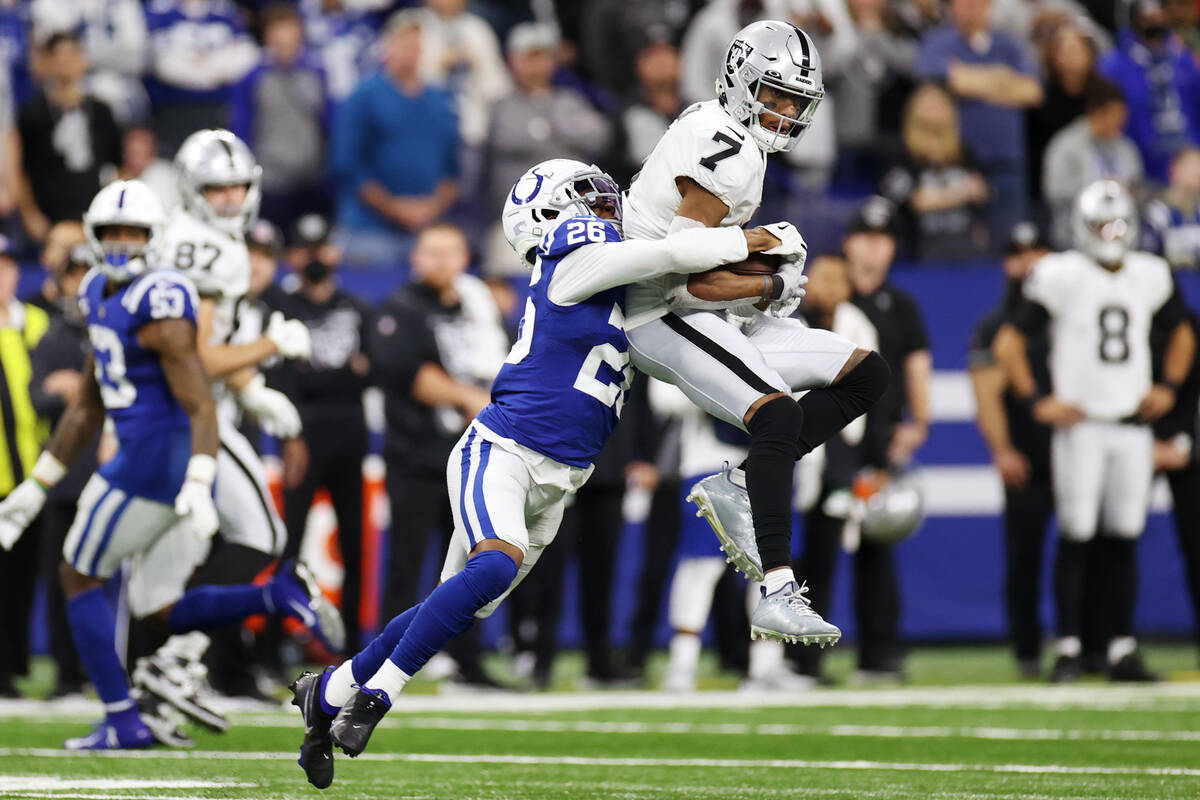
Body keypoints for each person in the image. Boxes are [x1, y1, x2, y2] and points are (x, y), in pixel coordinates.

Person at [288, 158, 793, 786]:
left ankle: (331, 690)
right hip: (503, 449)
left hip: (563, 478)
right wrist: (756, 237)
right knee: (494, 562)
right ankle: (376, 697)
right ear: (547, 218)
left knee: (451, 604)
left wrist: (768, 285)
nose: (606, 205)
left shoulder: (626, 284)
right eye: (587, 198)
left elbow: (691, 283)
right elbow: (674, 252)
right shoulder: (570, 264)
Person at [0, 180, 340, 749]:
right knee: (156, 608)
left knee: (77, 574)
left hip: (151, 459)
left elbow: (199, 400)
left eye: (135, 233)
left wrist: (202, 479)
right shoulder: (94, 290)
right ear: (93, 233)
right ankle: (277, 597)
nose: (123, 243)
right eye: (113, 232)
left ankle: (123, 719)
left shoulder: (161, 303)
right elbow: (88, 402)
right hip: (152, 456)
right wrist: (39, 485)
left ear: (154, 239)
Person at [621, 20, 886, 645]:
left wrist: (760, 274)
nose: (786, 111)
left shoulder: (723, 130)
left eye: (797, 101)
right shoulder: (732, 150)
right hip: (656, 313)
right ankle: (776, 589)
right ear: (740, 79)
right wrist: (765, 279)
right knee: (775, 417)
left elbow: (698, 261)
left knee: (865, 371)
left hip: (693, 306)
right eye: (775, 95)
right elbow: (681, 272)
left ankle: (744, 481)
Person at [132, 129, 325, 731]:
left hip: (178, 411)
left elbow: (207, 351)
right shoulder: (211, 252)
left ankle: (159, 670)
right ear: (193, 191)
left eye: (237, 186)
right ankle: (174, 661)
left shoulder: (193, 241)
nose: (229, 199)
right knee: (260, 534)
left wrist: (254, 392)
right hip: (188, 414)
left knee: (175, 560)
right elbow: (193, 358)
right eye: (215, 188)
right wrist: (270, 346)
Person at [994, 179, 1195, 682]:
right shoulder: (1062, 274)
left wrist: (1168, 386)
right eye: (1100, 224)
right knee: (1077, 534)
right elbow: (1010, 342)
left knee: (1125, 537)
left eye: (1116, 223)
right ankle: (1069, 647)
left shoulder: (1149, 274)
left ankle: (1120, 648)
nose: (1109, 233)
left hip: (1131, 425)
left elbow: (1184, 331)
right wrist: (1037, 401)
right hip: (1082, 425)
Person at [369, 221, 507, 687]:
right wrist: (470, 398)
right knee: (406, 563)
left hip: (468, 457)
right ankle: (382, 661)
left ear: (464, 259)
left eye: (451, 251)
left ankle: (469, 661)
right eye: (433, 251)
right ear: (416, 258)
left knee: (473, 563)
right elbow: (409, 374)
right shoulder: (399, 308)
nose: (442, 261)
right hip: (416, 456)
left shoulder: (475, 307)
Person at [841, 197, 932, 679]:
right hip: (833, 438)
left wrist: (919, 422)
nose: (874, 248)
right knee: (817, 540)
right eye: (866, 237)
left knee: (878, 546)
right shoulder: (833, 297)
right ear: (849, 242)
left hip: (881, 436)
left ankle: (879, 650)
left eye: (883, 238)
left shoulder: (901, 305)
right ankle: (797, 655)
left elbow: (917, 365)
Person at [274, 214, 371, 651]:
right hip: (301, 439)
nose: (315, 258)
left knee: (355, 549)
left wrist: (318, 376)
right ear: (293, 256)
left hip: (349, 440)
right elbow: (285, 380)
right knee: (287, 547)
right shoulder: (282, 308)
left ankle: (350, 647)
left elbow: (372, 372)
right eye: (306, 249)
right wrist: (340, 376)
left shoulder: (356, 308)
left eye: (321, 248)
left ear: (334, 252)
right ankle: (273, 644)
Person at [968, 222, 1055, 676]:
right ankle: (1027, 650)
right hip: (1027, 453)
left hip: (1077, 451)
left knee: (1086, 551)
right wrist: (1002, 449)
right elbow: (986, 394)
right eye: (1021, 253)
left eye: (1038, 250)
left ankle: (1089, 642)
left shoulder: (1072, 311)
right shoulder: (995, 324)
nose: (1030, 261)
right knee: (1025, 557)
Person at [328, 10, 459, 267]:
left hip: (426, 231)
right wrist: (396, 208)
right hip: (368, 228)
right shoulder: (361, 97)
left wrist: (431, 207)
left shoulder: (440, 100)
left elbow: (452, 168)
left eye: (417, 44)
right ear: (387, 44)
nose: (411, 50)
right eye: (404, 42)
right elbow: (346, 166)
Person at [915, 0, 1043, 247]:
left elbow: (1032, 92)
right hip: (956, 162)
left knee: (1011, 242)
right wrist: (1004, 80)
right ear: (950, 7)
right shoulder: (937, 43)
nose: (971, 6)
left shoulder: (1009, 45)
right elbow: (944, 82)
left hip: (1006, 163)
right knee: (960, 246)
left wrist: (970, 77)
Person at [29, 240, 94, 699]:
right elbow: (40, 397)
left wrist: (76, 387)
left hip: (114, 476)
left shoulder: (124, 331)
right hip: (68, 477)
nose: (80, 282)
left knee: (110, 583)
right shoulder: (55, 336)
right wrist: (65, 391)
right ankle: (66, 674)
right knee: (62, 581)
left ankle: (111, 670)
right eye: (74, 273)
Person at [230, 3, 332, 232]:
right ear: (267, 36)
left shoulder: (318, 74)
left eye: (289, 30)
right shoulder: (251, 78)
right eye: (278, 31)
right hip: (269, 184)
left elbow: (328, 124)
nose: (284, 38)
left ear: (300, 34)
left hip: (310, 181)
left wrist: (326, 173)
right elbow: (242, 129)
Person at [0, 237, 50, 697]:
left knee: (22, 577)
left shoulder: (35, 323)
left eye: (7, 265)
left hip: (33, 474)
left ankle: (13, 668)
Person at [16, 30, 121, 237]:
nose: (65, 64)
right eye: (58, 57)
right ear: (47, 63)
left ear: (83, 61)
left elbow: (119, 166)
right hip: (47, 220)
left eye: (71, 56)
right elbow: (21, 171)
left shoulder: (101, 111)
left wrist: (111, 214)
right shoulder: (32, 113)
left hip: (93, 216)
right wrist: (30, 215)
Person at [879, 82, 989, 261]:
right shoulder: (901, 154)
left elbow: (982, 192)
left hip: (964, 245)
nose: (933, 107)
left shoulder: (964, 152)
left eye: (938, 102)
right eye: (927, 102)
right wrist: (962, 192)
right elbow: (917, 202)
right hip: (918, 248)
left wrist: (938, 197)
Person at [1100, 0, 1200, 183]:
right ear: (1133, 18)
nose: (1154, 19)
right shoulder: (1113, 66)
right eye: (1145, 16)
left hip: (1191, 163)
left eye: (1158, 13)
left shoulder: (1183, 58)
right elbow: (1111, 119)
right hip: (1140, 168)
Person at [143, 0, 259, 153]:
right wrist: (216, 66)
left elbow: (248, 55)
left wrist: (197, 63)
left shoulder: (224, 10)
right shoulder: (158, 10)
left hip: (219, 109)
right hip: (172, 111)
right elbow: (162, 64)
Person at [1042, 78, 1143, 249]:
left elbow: (1138, 187)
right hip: (1074, 237)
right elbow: (1053, 191)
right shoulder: (1066, 145)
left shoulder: (1126, 148)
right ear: (1096, 113)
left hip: (1121, 238)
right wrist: (1101, 189)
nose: (1121, 122)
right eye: (1115, 116)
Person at [416, 0, 510, 150]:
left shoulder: (478, 29)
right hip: (425, 130)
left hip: (470, 129)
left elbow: (499, 88)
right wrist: (437, 66)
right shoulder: (415, 26)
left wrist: (478, 64)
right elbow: (402, 85)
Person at [1026, 23, 1098, 210]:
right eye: (1063, 50)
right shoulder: (1041, 100)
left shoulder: (1102, 96)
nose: (1070, 56)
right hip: (1051, 191)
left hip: (1095, 185)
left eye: (1075, 49)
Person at [1143, 146, 1200, 269]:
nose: (1196, 173)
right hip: (1169, 280)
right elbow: (1147, 257)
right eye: (1189, 167)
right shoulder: (1158, 213)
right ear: (1173, 169)